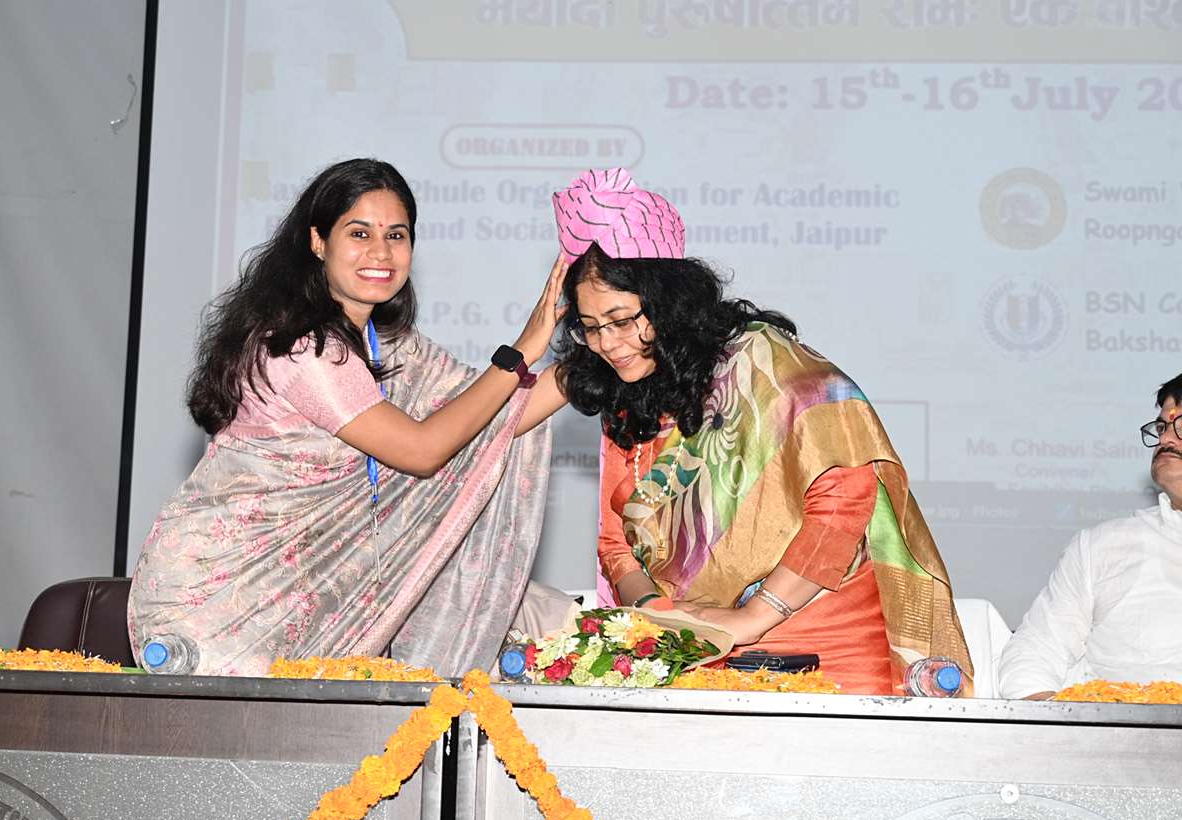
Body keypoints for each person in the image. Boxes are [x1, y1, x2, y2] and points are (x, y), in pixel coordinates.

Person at [532, 167, 972, 695]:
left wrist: (754, 616)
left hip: (825, 648)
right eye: (591, 327)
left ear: (667, 301)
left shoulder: (760, 361)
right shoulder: (628, 401)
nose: (608, 343)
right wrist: (659, 618)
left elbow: (846, 492)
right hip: (694, 651)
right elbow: (615, 544)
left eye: (622, 320)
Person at [127, 159, 566, 677]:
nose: (381, 252)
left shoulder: (392, 346)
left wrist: (609, 348)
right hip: (222, 598)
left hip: (313, 591)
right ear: (318, 241)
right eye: (359, 233)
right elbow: (423, 451)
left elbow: (491, 414)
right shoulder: (300, 348)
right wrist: (520, 352)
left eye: (396, 235)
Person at [999, 373, 1182, 700]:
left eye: (1181, 426)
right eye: (1161, 427)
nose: (1166, 438)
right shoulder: (1104, 547)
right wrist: (1054, 722)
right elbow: (1036, 650)